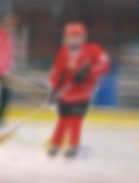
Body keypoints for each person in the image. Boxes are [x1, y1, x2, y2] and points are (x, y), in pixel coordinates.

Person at [47, 21, 110, 159]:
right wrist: (54, 89)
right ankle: (55, 144)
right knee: (63, 119)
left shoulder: (92, 50)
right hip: (66, 93)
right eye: (70, 36)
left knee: (75, 118)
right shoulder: (63, 52)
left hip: (83, 93)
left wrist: (89, 71)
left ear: (82, 37)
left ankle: (73, 146)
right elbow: (56, 72)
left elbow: (104, 64)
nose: (73, 39)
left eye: (77, 36)